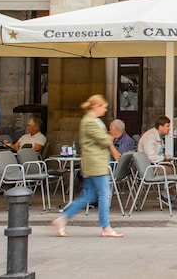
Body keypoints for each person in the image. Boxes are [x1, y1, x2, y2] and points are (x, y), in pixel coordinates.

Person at [51, 94, 123, 238]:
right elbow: (103, 139)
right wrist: (110, 138)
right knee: (104, 194)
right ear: (96, 106)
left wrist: (106, 140)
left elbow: (102, 140)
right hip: (95, 163)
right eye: (104, 107)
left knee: (89, 195)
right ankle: (105, 227)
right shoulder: (89, 122)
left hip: (94, 162)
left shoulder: (94, 120)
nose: (105, 109)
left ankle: (63, 218)